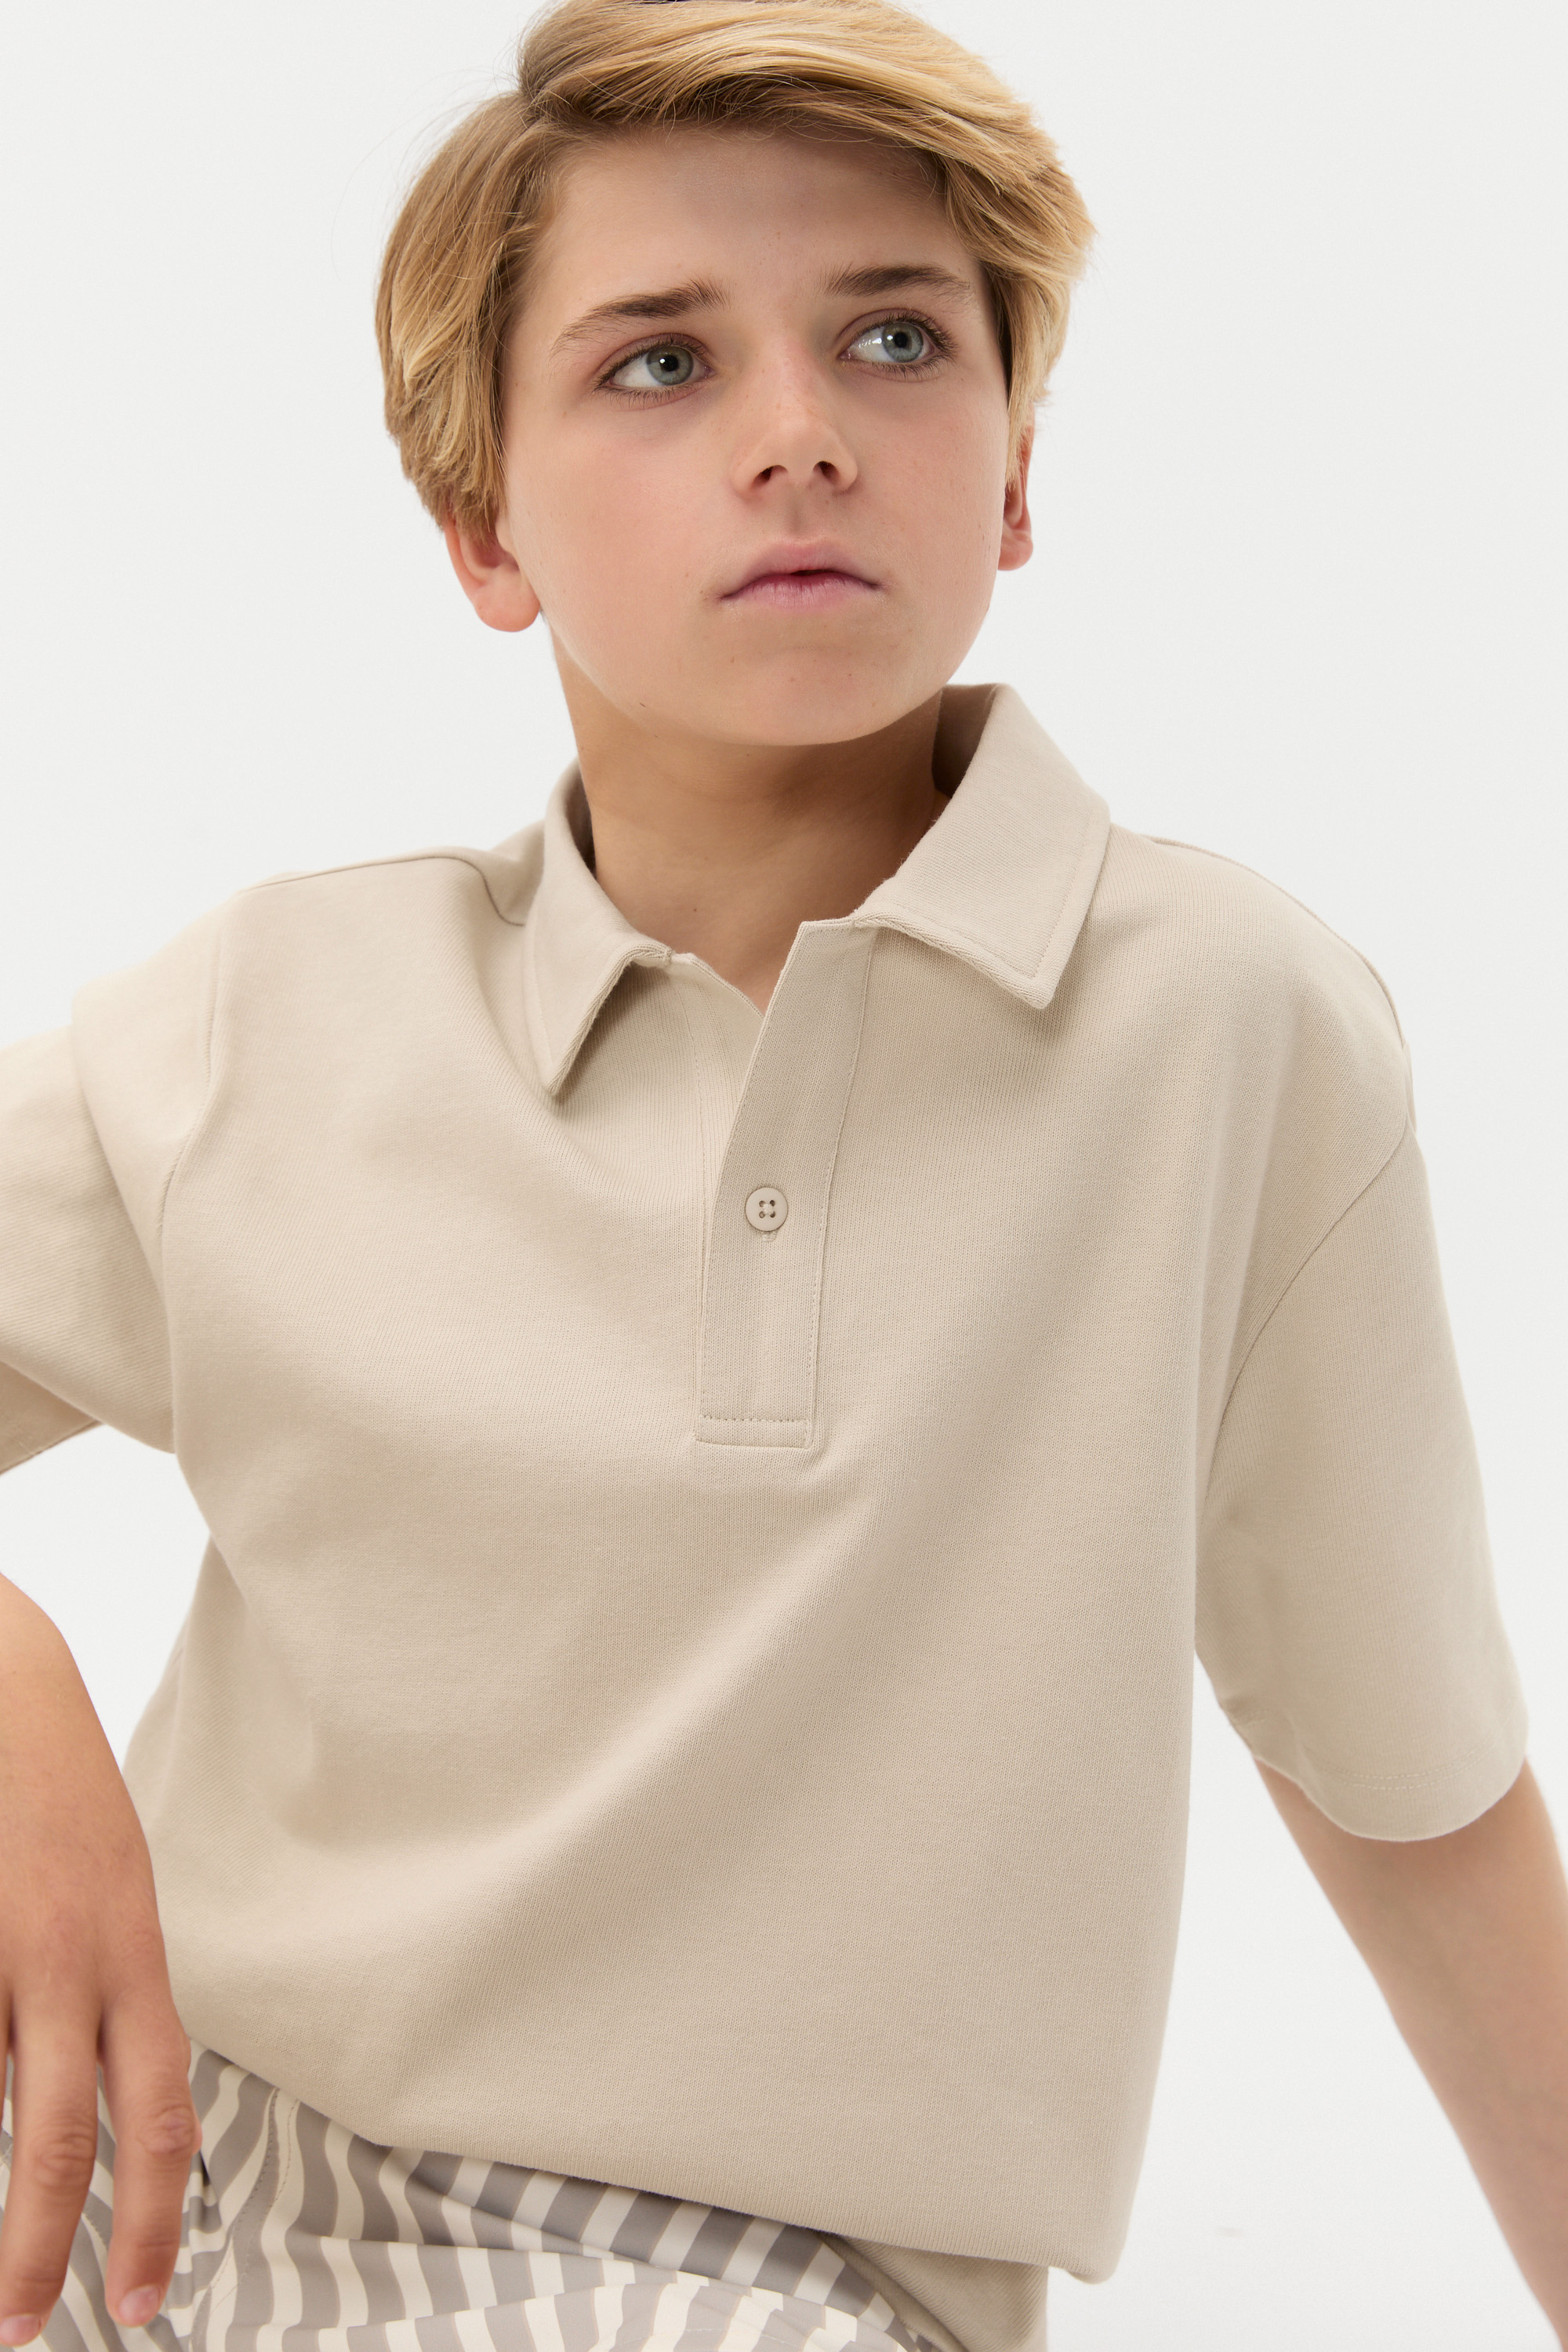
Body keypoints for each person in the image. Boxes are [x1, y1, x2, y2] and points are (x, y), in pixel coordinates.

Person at [2, 2, 1565, 2348]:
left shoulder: (1225, 1029)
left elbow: (1410, 1786)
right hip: (152, 2164)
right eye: (660, 362)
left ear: (1014, 476)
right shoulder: (270, 1017)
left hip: (760, 2291)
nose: (803, 434)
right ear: (481, 522)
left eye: (896, 340)